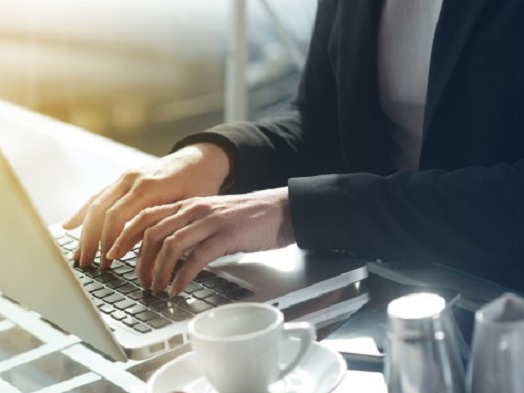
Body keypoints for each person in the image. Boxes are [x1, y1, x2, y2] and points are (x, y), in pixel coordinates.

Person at [64, 0, 524, 296]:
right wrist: (217, 157)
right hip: (383, 283)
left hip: (498, 301)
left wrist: (293, 213)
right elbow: (323, 120)